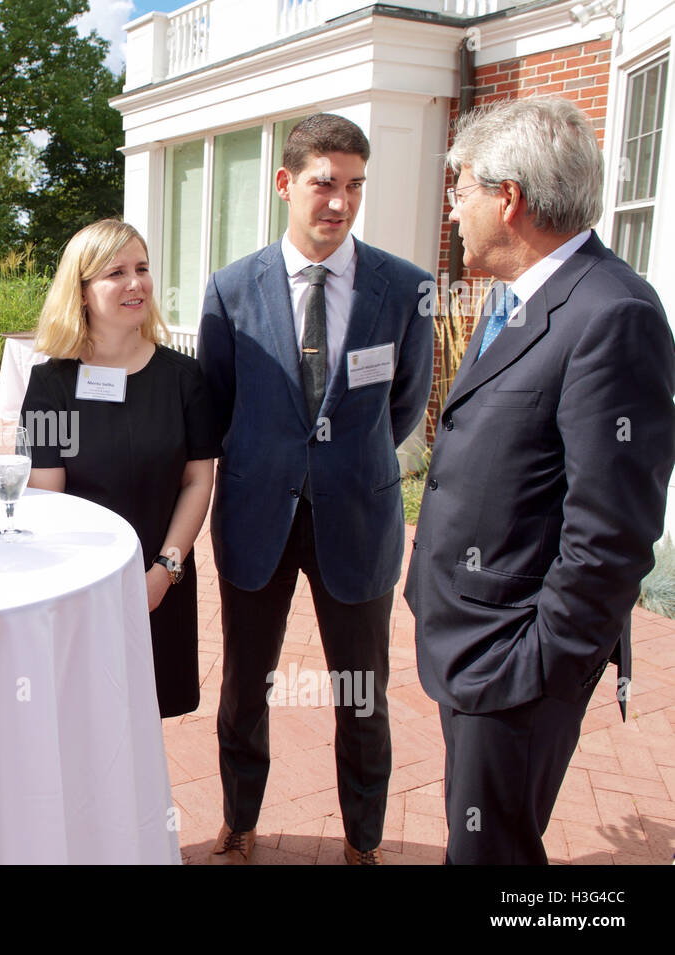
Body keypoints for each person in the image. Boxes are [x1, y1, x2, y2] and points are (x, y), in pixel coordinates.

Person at [405, 97, 675, 865]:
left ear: (510, 198)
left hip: (513, 663)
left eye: (461, 189)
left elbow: (613, 533)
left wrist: (538, 667)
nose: (453, 210)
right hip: (471, 640)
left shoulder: (612, 313)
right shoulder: (525, 298)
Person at [197, 114, 434, 865]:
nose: (340, 201)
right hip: (256, 519)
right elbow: (219, 405)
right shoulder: (232, 289)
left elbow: (404, 404)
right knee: (244, 686)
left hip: (357, 520)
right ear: (284, 184)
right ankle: (239, 820)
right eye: (324, 183)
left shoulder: (406, 288)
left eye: (355, 184)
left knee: (362, 695)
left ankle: (364, 842)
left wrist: (340, 460)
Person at [21, 219, 216, 718]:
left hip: (160, 580)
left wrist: (165, 570)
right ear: (82, 291)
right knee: (81, 718)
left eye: (143, 269)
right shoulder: (50, 386)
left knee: (149, 718)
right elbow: (47, 498)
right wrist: (81, 581)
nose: (136, 283)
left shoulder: (185, 379)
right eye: (116, 273)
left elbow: (198, 480)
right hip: (79, 588)